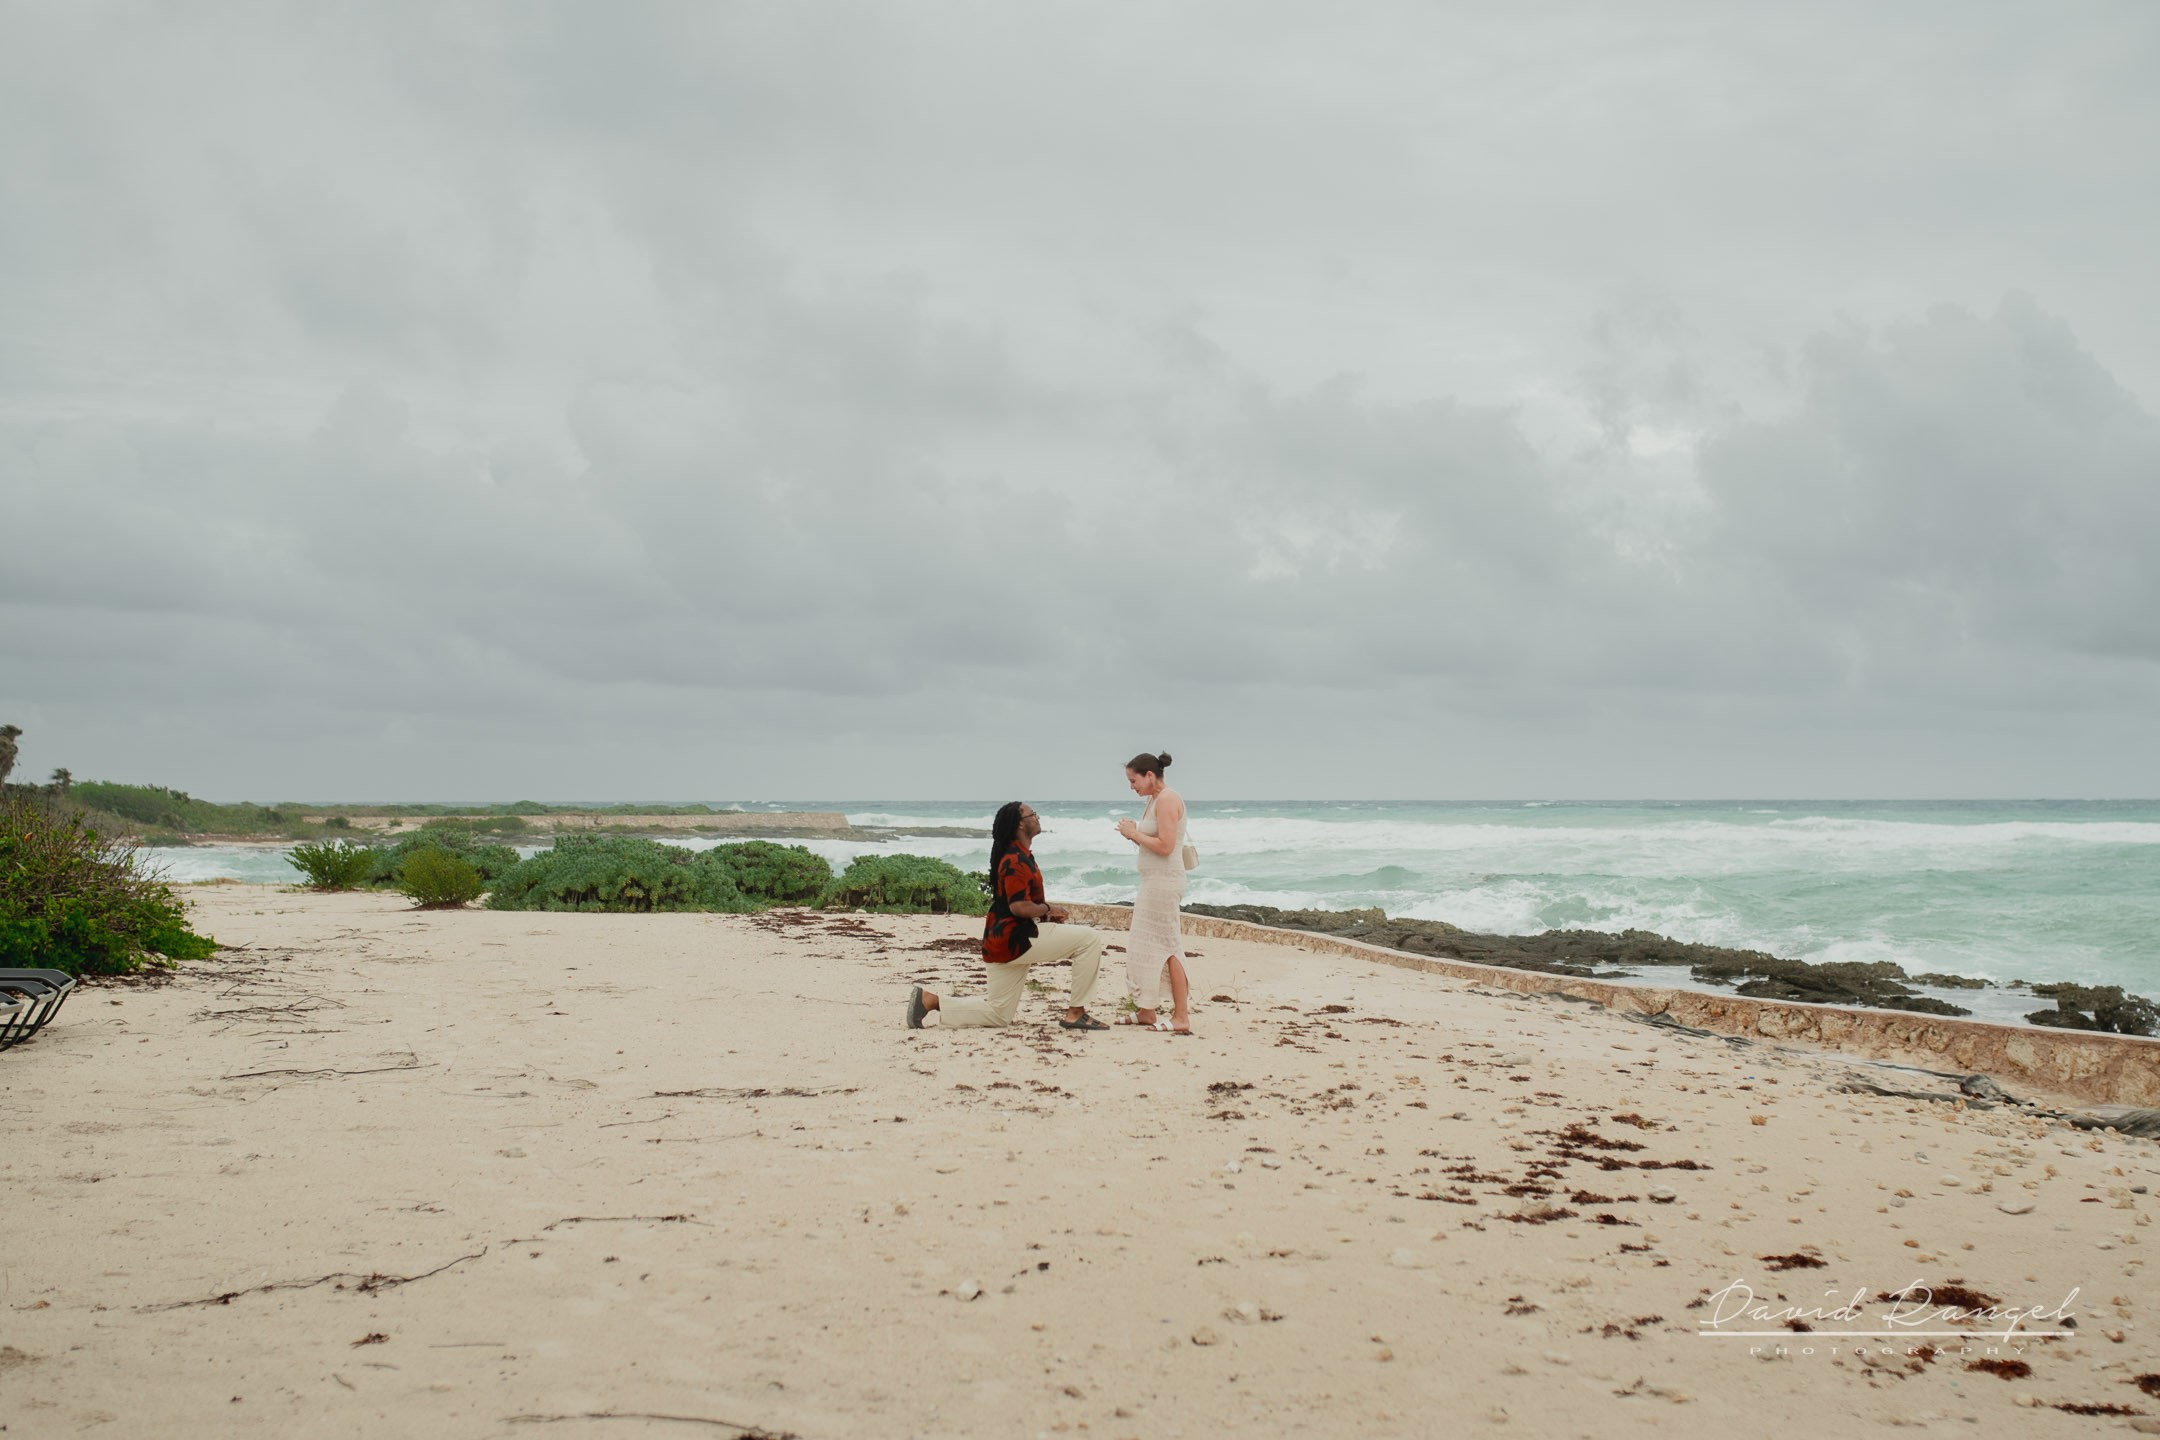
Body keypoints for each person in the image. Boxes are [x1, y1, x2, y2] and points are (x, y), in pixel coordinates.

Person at [907, 801, 1109, 1031]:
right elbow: (1019, 907)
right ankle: (1076, 1013)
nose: (1037, 817)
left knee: (998, 1014)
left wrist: (1045, 915)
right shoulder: (1015, 859)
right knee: (1089, 939)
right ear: (1021, 825)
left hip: (1002, 941)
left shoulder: (1019, 855)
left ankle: (929, 1000)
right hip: (1019, 938)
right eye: (1033, 814)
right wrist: (1048, 909)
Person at [1112, 751, 1193, 1035]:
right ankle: (1147, 1010)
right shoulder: (1153, 801)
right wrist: (1134, 832)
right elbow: (1153, 844)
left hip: (1164, 883)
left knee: (1169, 945)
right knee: (1142, 946)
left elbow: (1166, 846)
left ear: (1149, 775)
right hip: (1152, 882)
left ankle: (1181, 1016)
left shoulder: (1168, 798)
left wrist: (1133, 834)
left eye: (1133, 780)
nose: (1131, 786)